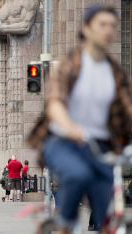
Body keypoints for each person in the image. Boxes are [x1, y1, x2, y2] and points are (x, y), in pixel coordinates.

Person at [27, 5, 132, 233]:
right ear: (86, 28)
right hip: (64, 143)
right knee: (77, 174)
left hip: (100, 147)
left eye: (112, 26)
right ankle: (64, 220)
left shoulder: (115, 73)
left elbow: (127, 110)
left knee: (107, 211)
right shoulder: (70, 65)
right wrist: (71, 127)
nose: (108, 30)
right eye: (102, 24)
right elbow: (55, 103)